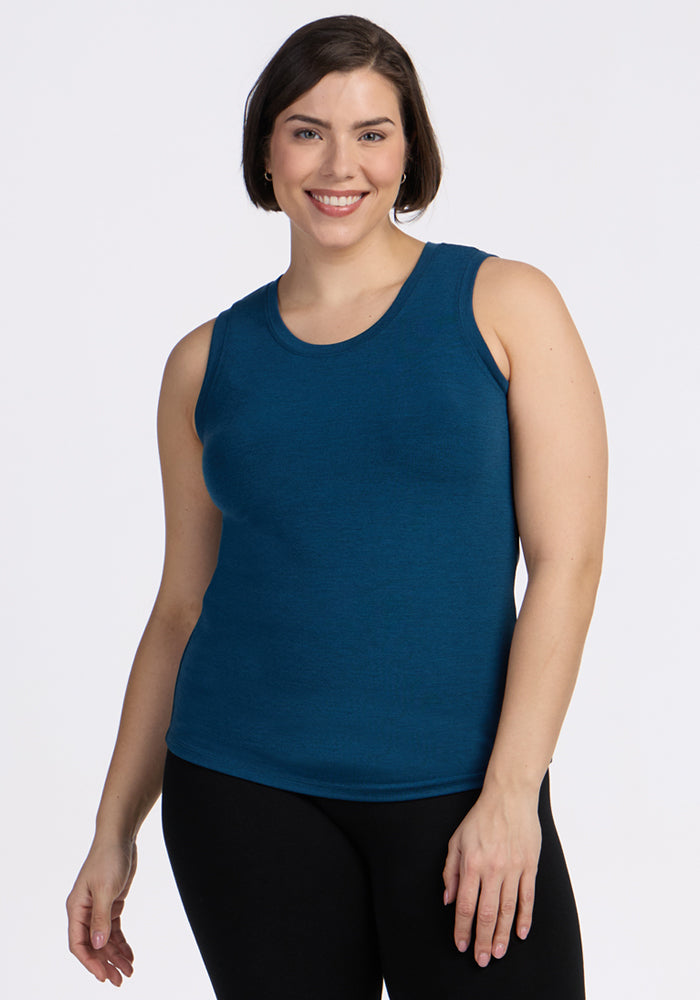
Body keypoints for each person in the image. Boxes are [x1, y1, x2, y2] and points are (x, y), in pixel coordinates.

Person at [66, 14, 607, 1000]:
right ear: (267, 151)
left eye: (371, 132)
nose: (338, 162)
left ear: (409, 154)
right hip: (241, 792)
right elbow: (180, 611)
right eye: (307, 129)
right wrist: (113, 830)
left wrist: (510, 794)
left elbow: (565, 564)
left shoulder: (504, 304)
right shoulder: (203, 363)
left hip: (459, 796)